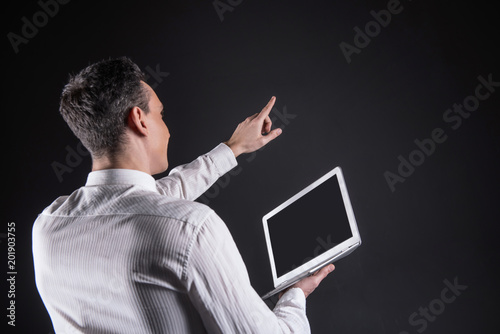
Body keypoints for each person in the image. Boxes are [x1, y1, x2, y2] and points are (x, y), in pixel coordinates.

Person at [32, 57, 335, 333]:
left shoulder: (47, 227)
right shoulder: (194, 228)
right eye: (161, 115)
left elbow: (145, 201)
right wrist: (295, 295)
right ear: (139, 120)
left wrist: (234, 147)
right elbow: (156, 212)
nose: (168, 130)